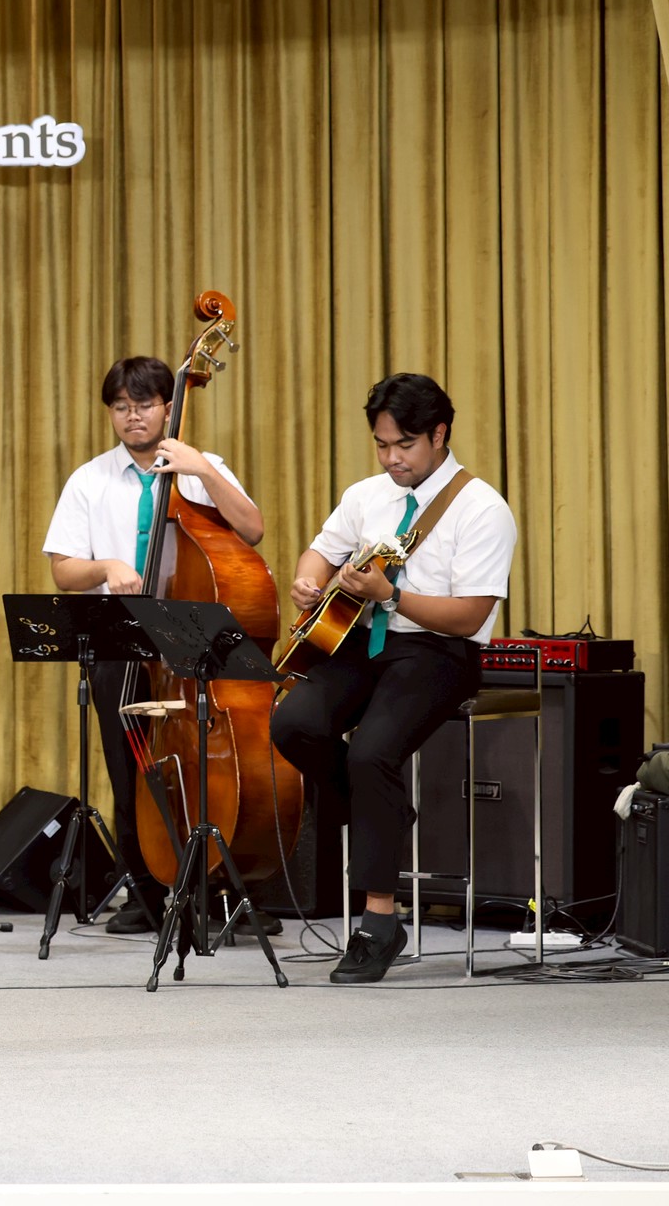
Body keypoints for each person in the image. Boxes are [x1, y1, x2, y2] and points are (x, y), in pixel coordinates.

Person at [271, 373, 516, 985]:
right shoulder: (366, 495)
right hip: (362, 640)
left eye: (404, 445)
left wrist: (392, 595)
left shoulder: (482, 508)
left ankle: (379, 923)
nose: (391, 458)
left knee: (371, 754)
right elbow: (320, 552)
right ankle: (379, 812)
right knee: (292, 722)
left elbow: (470, 616)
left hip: (439, 650)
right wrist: (307, 580)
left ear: (439, 434)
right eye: (382, 445)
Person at [43, 355, 267, 935]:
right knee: (131, 765)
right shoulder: (90, 479)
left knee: (208, 762)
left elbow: (252, 529)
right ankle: (143, 888)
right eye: (120, 407)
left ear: (169, 407)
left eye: (143, 405)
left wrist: (204, 471)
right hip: (122, 635)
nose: (132, 416)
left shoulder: (202, 467)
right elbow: (63, 571)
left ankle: (219, 888)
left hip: (191, 630)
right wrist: (106, 567)